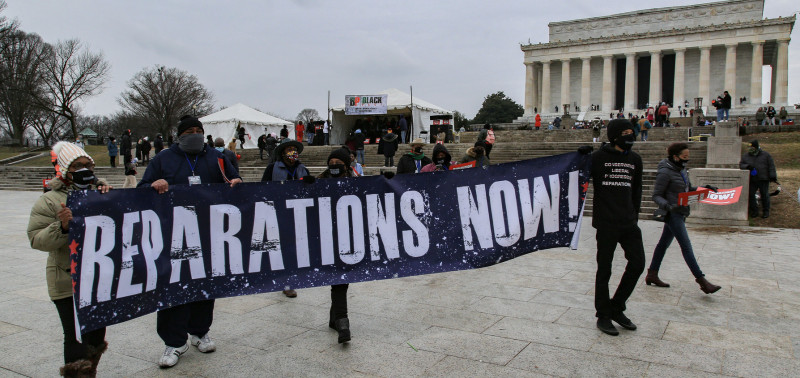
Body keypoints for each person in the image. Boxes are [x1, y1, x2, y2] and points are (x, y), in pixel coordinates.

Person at [138, 115, 242, 368]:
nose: (195, 134)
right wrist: (154, 184)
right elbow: (141, 190)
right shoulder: (163, 158)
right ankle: (174, 342)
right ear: (179, 135)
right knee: (172, 287)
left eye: (199, 130)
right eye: (189, 131)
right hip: (173, 235)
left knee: (205, 285)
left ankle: (200, 332)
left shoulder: (218, 158)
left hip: (209, 233)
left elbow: (234, 182)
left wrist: (238, 184)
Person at [27, 141, 112, 376]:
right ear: (65, 170)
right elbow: (36, 239)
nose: (84, 170)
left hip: (98, 279)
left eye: (88, 165)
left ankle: (90, 372)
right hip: (68, 282)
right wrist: (62, 227)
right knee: (76, 337)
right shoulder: (48, 201)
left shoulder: (99, 193)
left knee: (96, 335)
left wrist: (110, 198)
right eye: (77, 166)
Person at [588, 119, 645, 336]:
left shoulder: (635, 159)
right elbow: (578, 175)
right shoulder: (598, 158)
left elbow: (637, 190)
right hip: (606, 223)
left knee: (638, 263)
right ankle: (603, 314)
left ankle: (617, 306)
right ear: (614, 136)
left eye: (632, 131)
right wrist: (579, 156)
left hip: (628, 222)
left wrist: (634, 216)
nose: (630, 135)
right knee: (605, 269)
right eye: (626, 132)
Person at [647, 142, 722, 294]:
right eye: (684, 157)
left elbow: (687, 189)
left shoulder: (681, 169)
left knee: (663, 245)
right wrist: (667, 206)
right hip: (673, 213)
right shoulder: (665, 172)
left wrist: (704, 188)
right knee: (686, 246)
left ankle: (652, 274)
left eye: (688, 156)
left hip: (681, 210)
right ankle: (702, 281)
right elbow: (656, 195)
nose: (687, 159)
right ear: (675, 157)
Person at [316, 147, 357, 343]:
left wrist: (387, 182)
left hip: (348, 237)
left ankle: (336, 319)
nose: (334, 167)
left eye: (338, 164)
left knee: (341, 278)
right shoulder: (319, 181)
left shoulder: (355, 180)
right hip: (325, 237)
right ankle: (342, 321)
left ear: (346, 165)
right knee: (340, 278)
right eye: (330, 164)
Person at [261, 138, 311, 298]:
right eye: (289, 149)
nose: (292, 152)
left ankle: (290, 281)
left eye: (294, 149)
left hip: (298, 213)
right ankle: (285, 282)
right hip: (279, 213)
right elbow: (263, 188)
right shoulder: (272, 168)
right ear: (282, 153)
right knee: (283, 249)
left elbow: (311, 189)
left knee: (295, 249)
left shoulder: (303, 168)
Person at [740, 140, 777, 218]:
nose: (750, 149)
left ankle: (766, 211)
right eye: (749, 147)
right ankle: (754, 211)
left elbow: (771, 166)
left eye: (752, 147)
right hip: (752, 179)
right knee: (751, 194)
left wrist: (772, 176)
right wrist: (747, 166)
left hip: (763, 178)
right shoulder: (746, 156)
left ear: (756, 147)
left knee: (764, 195)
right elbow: (741, 164)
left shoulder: (766, 155)